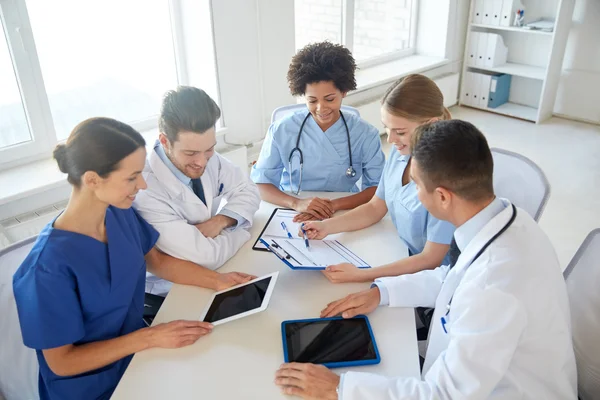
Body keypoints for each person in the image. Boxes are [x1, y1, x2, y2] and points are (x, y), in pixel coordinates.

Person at [275, 120, 577, 399]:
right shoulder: (506, 219)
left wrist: (340, 389)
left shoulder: (493, 287)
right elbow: (454, 277)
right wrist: (383, 292)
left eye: (416, 184)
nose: (413, 193)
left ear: (443, 197)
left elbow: (444, 395)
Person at [13, 118, 254, 400]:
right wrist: (150, 337)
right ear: (92, 179)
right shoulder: (45, 269)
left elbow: (158, 261)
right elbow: (62, 362)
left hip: (139, 358)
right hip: (91, 387)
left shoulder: (117, 213)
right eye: (131, 177)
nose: (142, 184)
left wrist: (219, 281)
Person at [302, 74, 455, 283]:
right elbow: (375, 207)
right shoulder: (402, 151)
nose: (390, 139)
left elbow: (431, 260)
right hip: (395, 250)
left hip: (430, 278)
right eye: (387, 128)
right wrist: (328, 226)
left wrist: (364, 275)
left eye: (400, 131)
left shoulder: (447, 179)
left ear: (431, 124)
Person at [133, 86, 261, 295]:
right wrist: (243, 230)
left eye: (209, 149)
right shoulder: (146, 190)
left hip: (222, 268)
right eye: (191, 153)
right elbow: (205, 257)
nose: (202, 162)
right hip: (173, 291)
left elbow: (247, 188)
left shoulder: (205, 156)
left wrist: (221, 221)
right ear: (165, 141)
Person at [250, 41, 385, 223]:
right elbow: (261, 184)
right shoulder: (282, 129)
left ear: (344, 91)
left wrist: (333, 206)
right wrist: (296, 203)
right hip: (290, 208)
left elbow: (378, 188)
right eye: (312, 100)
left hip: (344, 208)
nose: (321, 108)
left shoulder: (365, 134)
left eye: (329, 99)